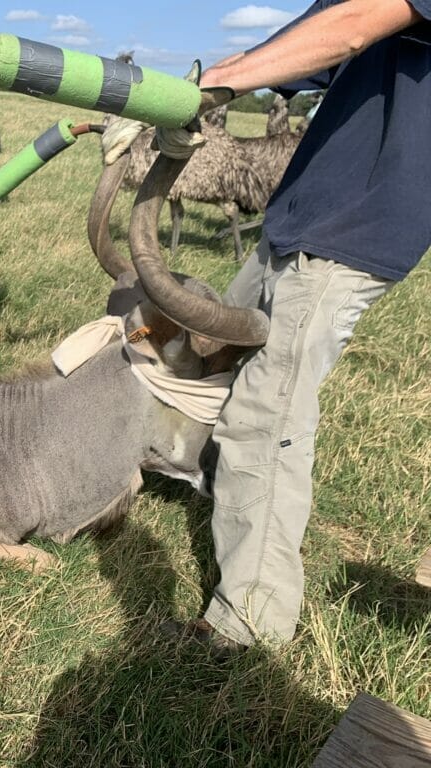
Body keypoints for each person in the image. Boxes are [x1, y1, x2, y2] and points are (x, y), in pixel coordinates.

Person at [167, 0, 431, 652]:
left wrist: (220, 82)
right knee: (203, 350)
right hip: (296, 219)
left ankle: (249, 622)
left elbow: (355, 25)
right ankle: (199, 480)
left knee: (268, 413)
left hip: (350, 232)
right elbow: (305, 48)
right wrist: (199, 84)